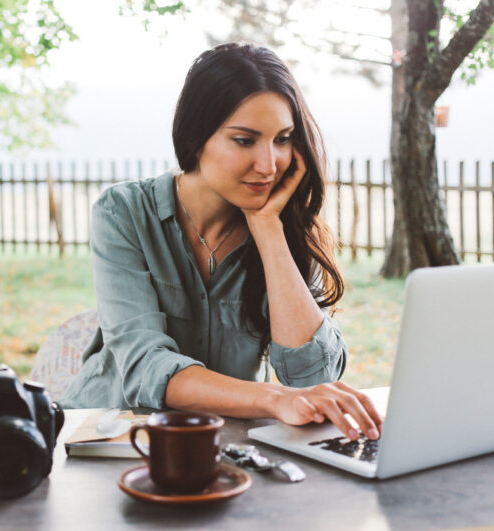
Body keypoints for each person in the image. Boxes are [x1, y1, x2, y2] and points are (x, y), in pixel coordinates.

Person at [61, 42, 382, 442]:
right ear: (197, 137)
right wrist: (274, 399)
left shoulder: (285, 228)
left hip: (229, 448)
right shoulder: (124, 212)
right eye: (245, 140)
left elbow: (311, 377)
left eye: (282, 139)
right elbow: (145, 366)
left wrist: (268, 230)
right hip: (110, 439)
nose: (268, 165)